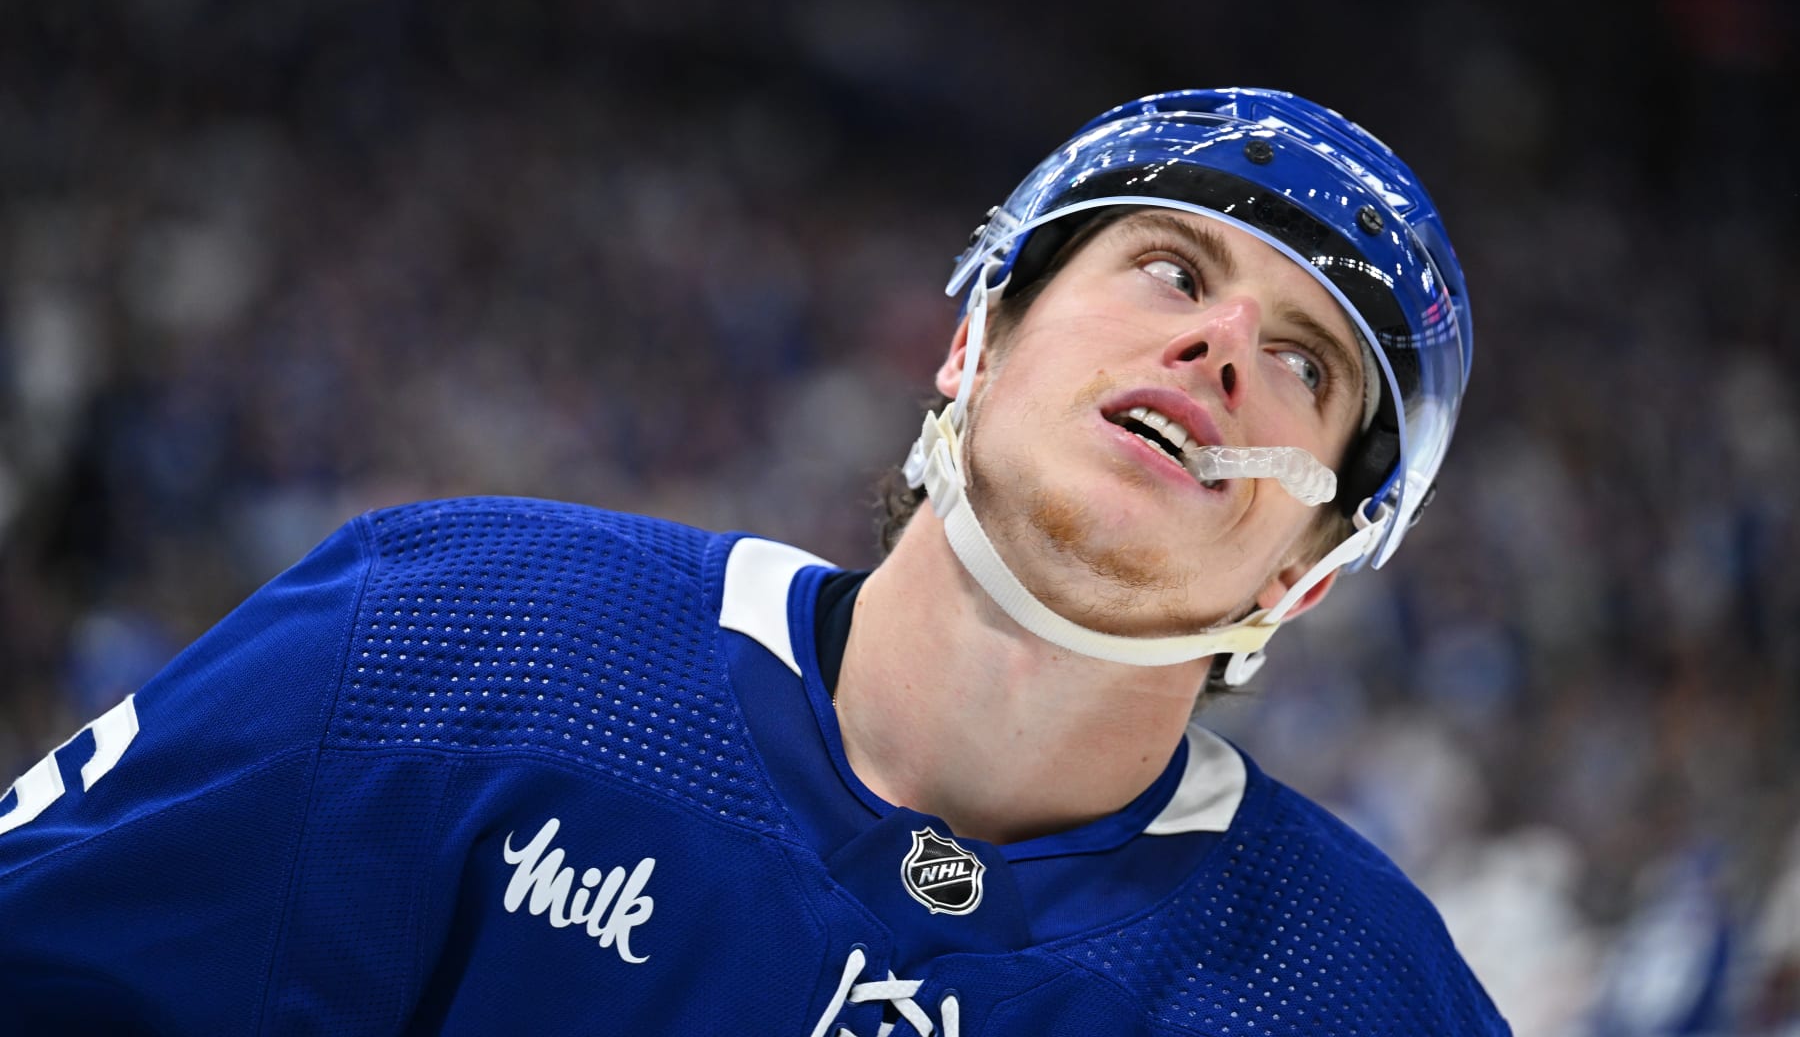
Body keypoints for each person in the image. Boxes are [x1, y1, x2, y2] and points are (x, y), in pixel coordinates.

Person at [0, 89, 1509, 1034]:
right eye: (1171, 269)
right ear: (975, 345)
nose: (1222, 343)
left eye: (1307, 362)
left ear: (1310, 572)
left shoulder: (1365, 1000)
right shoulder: (452, 631)